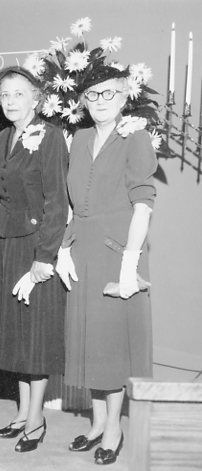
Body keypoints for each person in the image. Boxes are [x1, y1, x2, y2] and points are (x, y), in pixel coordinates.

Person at [55, 66, 157, 465]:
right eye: (92, 94)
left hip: (117, 252)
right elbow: (72, 202)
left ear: (125, 96)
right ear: (82, 100)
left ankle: (114, 427)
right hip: (81, 250)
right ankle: (97, 423)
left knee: (111, 346)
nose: (100, 101)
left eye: (109, 93)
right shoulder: (79, 138)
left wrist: (130, 265)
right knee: (88, 342)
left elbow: (143, 206)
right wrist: (63, 248)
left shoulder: (136, 136)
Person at [0, 66, 68, 452]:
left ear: (36, 97)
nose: (11, 101)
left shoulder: (50, 136)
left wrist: (44, 257)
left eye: (19, 93)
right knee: (16, 333)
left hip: (35, 246)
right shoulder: (0, 138)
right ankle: (22, 412)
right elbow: (1, 188)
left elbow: (57, 201)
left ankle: (36, 418)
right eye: (4, 94)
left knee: (35, 335)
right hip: (6, 243)